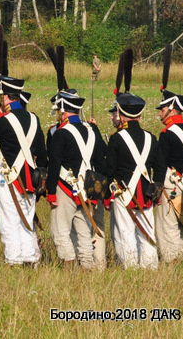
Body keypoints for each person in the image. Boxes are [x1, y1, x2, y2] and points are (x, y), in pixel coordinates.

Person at [0, 74, 47, 266]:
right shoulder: (34, 119)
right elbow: (42, 152)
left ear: (5, 98)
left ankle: (14, 261)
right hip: (30, 179)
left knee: (8, 221)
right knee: (26, 221)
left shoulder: (3, 120)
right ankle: (29, 259)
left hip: (7, 179)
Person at [46, 90, 107, 269]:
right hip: (87, 189)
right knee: (83, 232)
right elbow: (99, 162)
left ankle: (69, 267)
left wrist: (51, 192)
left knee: (60, 231)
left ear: (64, 110)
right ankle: (87, 266)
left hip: (65, 188)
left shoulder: (61, 133)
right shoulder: (91, 130)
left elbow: (54, 165)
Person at [105, 92, 165, 269]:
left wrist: (109, 194)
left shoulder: (116, 139)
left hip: (123, 192)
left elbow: (110, 171)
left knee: (125, 233)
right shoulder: (150, 138)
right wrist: (157, 188)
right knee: (146, 232)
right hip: (147, 192)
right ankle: (149, 267)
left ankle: (129, 268)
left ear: (122, 114)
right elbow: (160, 168)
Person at [154, 88, 183, 263]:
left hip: (172, 185)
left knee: (167, 225)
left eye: (162, 110)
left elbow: (161, 164)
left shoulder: (167, 134)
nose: (160, 115)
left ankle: (171, 261)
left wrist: (157, 188)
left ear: (172, 110)